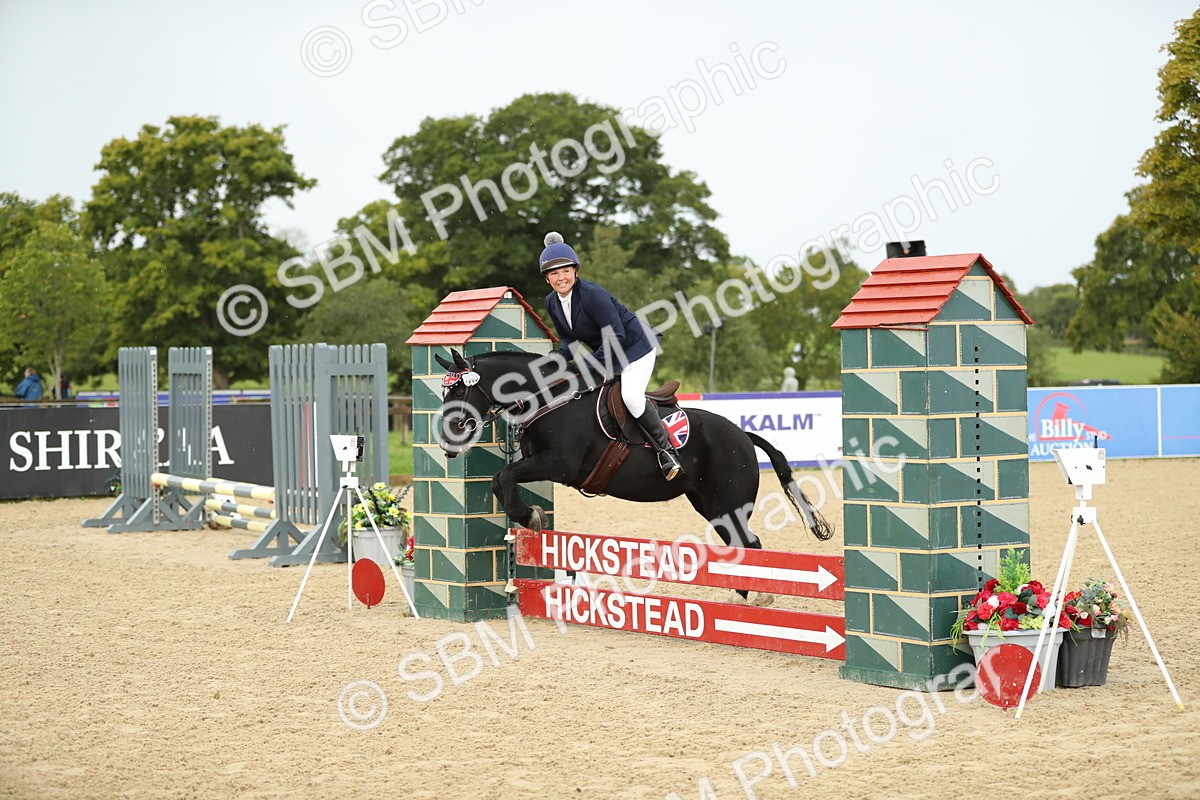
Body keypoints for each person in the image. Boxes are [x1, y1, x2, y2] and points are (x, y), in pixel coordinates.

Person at [539, 231, 683, 480]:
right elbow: (569, 340)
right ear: (546, 278)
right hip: (608, 352)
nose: (561, 277)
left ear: (575, 271)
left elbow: (617, 335)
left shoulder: (592, 294)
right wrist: (556, 360)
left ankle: (666, 452)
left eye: (566, 271)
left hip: (636, 348)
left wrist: (588, 364)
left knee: (631, 396)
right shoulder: (552, 302)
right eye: (554, 273)